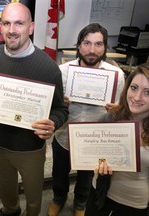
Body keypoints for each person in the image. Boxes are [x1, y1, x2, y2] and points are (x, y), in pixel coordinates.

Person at [0, 3, 69, 216]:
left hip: (30, 148)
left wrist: (53, 123)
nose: (12, 30)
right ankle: (10, 211)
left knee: (33, 198)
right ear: (0, 27)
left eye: (19, 23)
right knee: (6, 191)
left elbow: (61, 109)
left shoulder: (48, 67)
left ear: (30, 27)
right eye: (6, 23)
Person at [47, 23, 125, 216]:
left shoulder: (117, 76)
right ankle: (59, 197)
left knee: (86, 176)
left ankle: (80, 203)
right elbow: (48, 105)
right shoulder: (62, 72)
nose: (92, 50)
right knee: (59, 173)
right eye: (87, 43)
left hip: (94, 139)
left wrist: (118, 110)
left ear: (105, 47)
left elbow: (124, 112)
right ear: (79, 45)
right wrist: (58, 103)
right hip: (64, 136)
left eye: (98, 44)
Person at [85, 63, 149, 216]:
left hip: (135, 204)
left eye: (147, 92)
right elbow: (91, 152)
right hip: (100, 194)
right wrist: (97, 162)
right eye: (134, 88)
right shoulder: (111, 117)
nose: (137, 97)